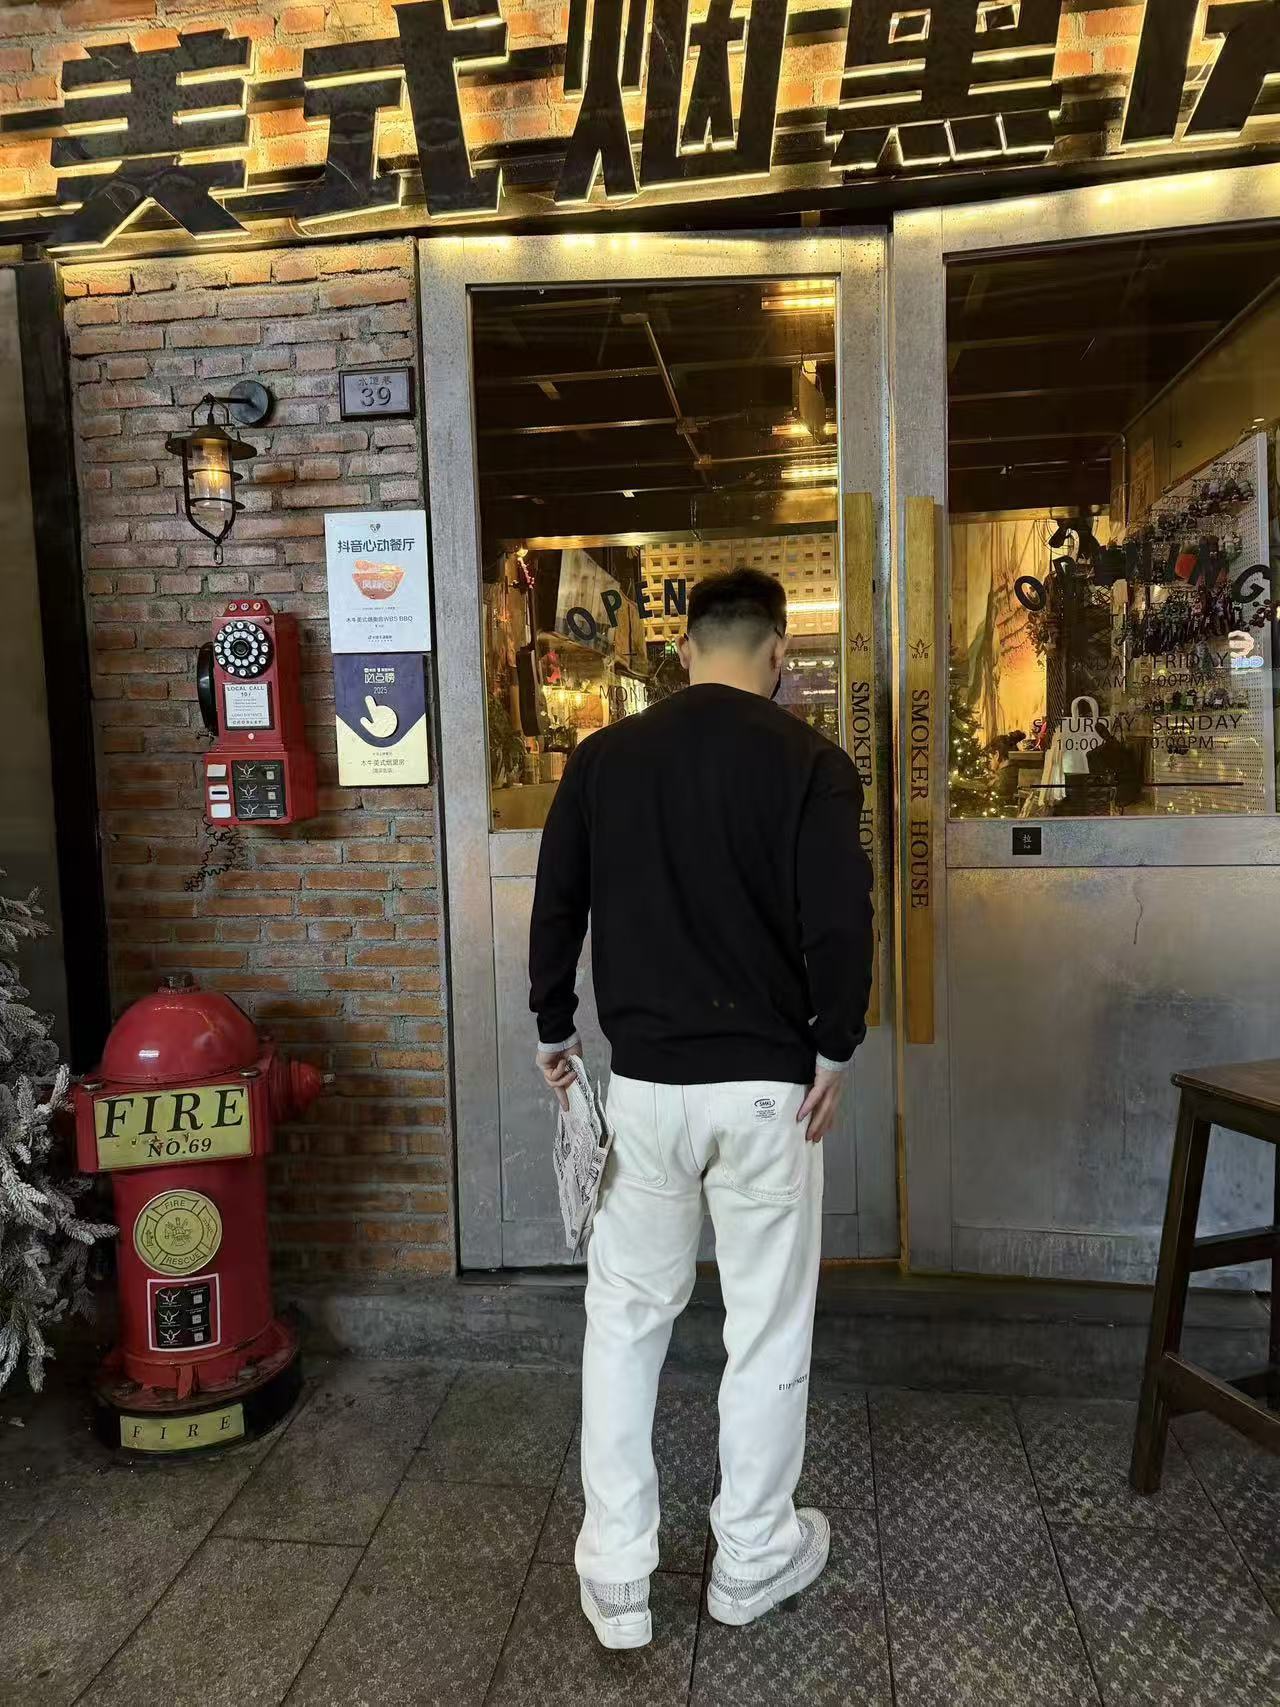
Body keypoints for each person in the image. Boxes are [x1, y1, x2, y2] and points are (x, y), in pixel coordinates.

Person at [529, 566, 874, 1651]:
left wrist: (553, 1027)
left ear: (683, 650)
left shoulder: (604, 757)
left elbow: (557, 899)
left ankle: (617, 1575)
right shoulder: (811, 761)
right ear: (778, 654)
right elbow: (840, 918)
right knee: (764, 1324)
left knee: (626, 1322)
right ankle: (752, 1555)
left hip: (643, 1090)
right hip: (771, 1092)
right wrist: (836, 1043)